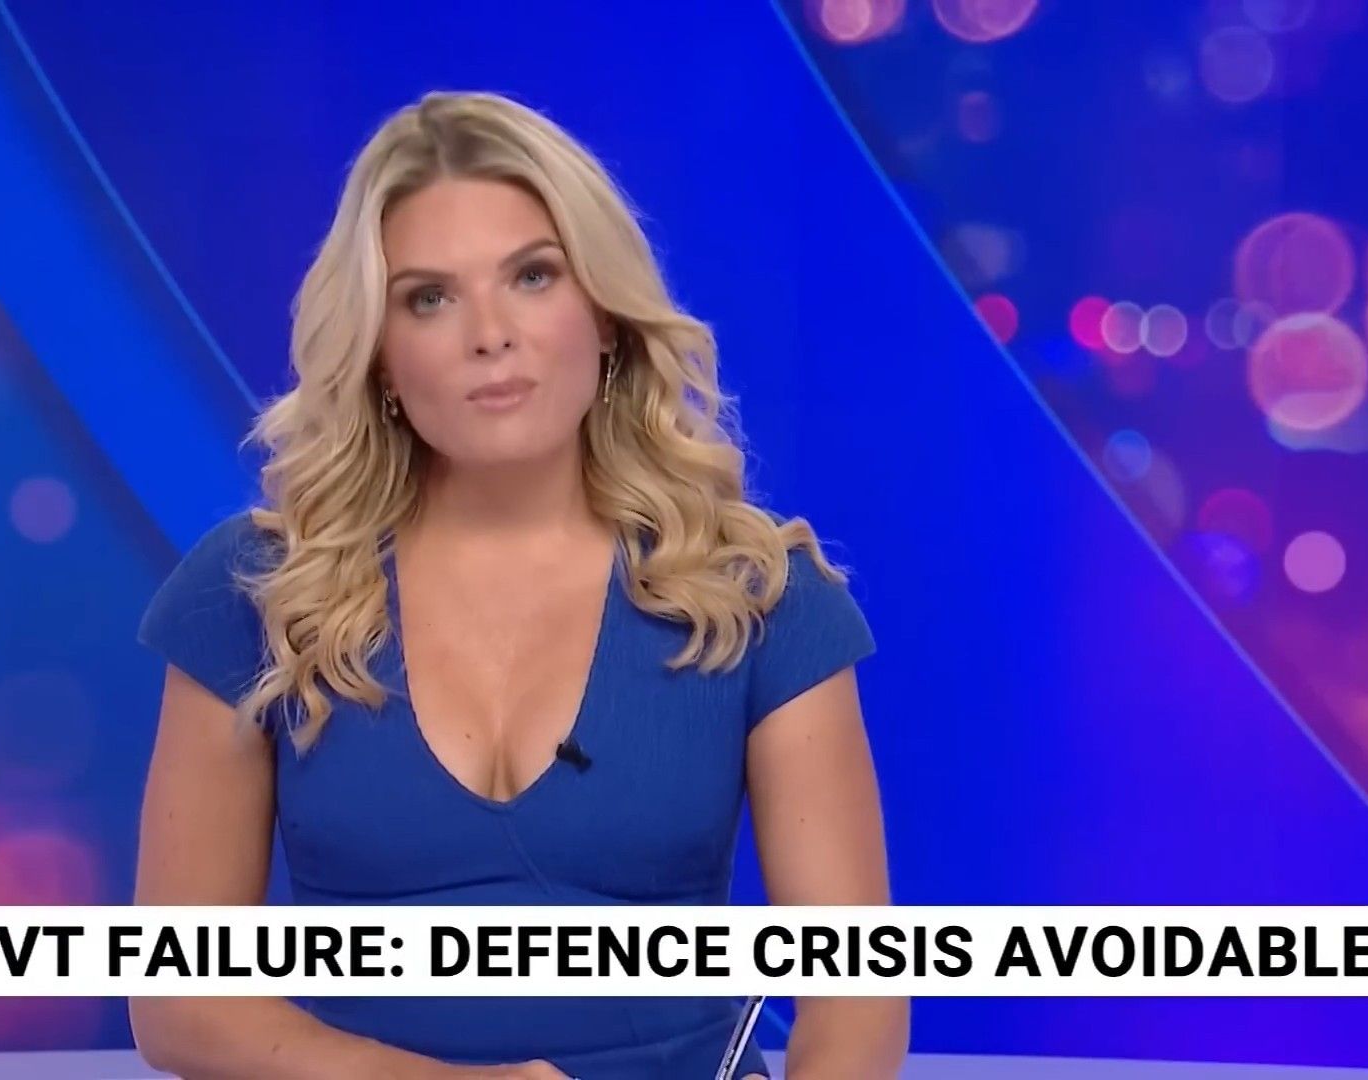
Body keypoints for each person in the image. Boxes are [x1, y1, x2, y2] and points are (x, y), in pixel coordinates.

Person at [130, 89, 907, 1080]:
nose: (489, 334)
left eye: (533, 276)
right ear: (379, 357)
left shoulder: (756, 597)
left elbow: (857, 998)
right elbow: (181, 1002)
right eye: (430, 298)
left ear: (606, 316)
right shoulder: (256, 593)